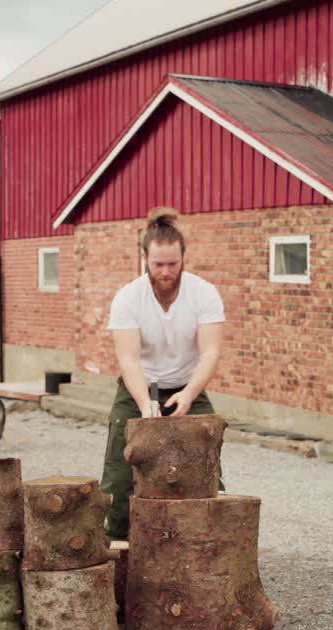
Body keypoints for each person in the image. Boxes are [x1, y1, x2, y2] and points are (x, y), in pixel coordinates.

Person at [100, 206, 225, 539]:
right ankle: (120, 543)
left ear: (184, 257)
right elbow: (128, 360)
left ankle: (205, 542)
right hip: (139, 387)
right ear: (144, 258)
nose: (166, 271)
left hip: (188, 385)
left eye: (173, 263)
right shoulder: (127, 298)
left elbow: (211, 352)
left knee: (207, 468)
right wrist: (145, 406)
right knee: (120, 472)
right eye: (158, 264)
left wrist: (189, 394)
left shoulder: (205, 294)